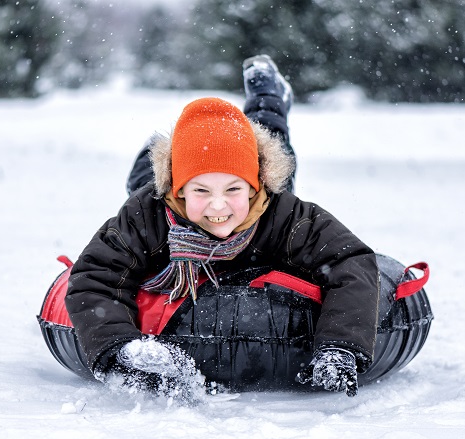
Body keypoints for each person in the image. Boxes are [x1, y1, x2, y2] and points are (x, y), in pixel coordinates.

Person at [65, 55, 379, 401]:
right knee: (142, 177)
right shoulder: (149, 213)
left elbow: (352, 260)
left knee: (273, 141)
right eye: (201, 191)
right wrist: (119, 351)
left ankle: (271, 94)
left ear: (255, 187)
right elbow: (95, 278)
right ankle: (156, 149)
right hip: (163, 184)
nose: (218, 206)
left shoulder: (280, 212)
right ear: (179, 190)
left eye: (233, 190)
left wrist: (340, 346)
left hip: (260, 173)